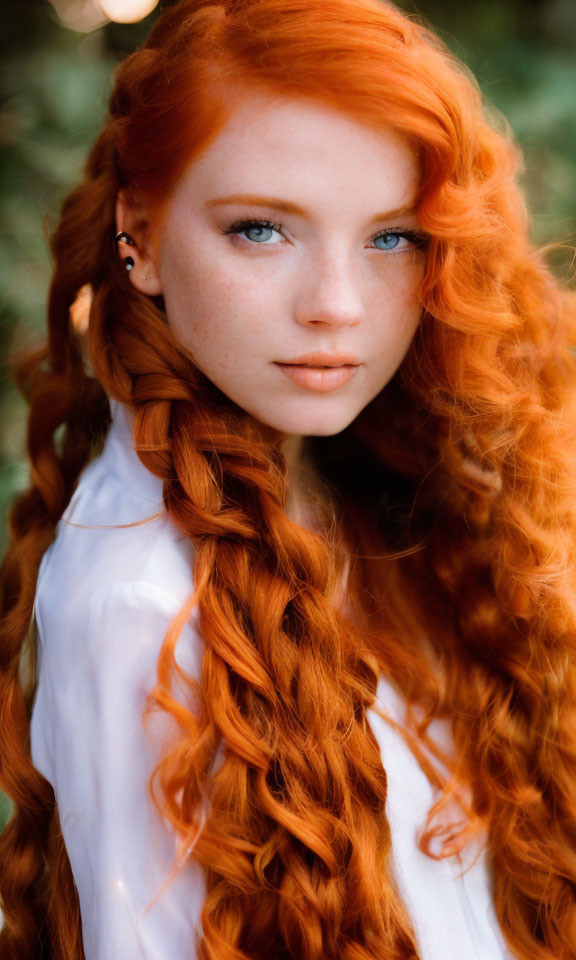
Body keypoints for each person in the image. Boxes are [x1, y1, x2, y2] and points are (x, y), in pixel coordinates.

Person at [1, 0, 576, 956]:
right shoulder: (140, 600)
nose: (338, 308)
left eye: (392, 238)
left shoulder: (389, 487)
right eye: (262, 230)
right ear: (136, 233)